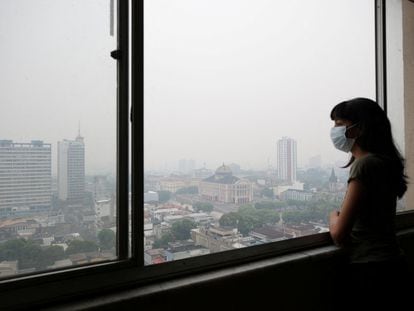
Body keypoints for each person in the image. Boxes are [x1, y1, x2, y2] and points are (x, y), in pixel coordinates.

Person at [328, 97, 411, 310]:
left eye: (339, 125)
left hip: (370, 270)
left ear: (359, 129)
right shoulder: (384, 162)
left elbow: (339, 234)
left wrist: (333, 216)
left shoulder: (364, 166)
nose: (334, 131)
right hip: (393, 262)